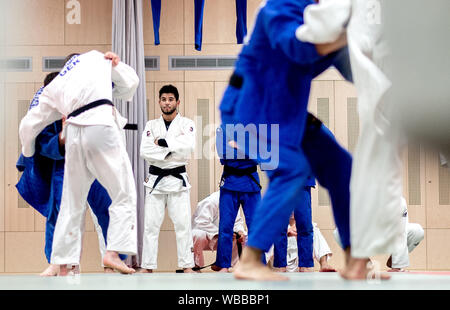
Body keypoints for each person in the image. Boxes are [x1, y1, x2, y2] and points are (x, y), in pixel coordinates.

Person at [218, 0, 352, 281]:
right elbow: (297, 48)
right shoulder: (278, 7)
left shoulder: (326, 18)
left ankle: (355, 258)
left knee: (340, 164)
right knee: (292, 168)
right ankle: (250, 259)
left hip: (285, 111)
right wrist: (349, 33)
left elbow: (353, 68)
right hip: (248, 106)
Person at [18, 50, 140, 275]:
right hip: (98, 129)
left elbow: (28, 126)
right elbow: (131, 82)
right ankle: (112, 253)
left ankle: (63, 262)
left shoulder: (57, 84)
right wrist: (117, 64)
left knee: (70, 205)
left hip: (74, 134)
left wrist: (27, 151)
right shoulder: (95, 59)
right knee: (124, 192)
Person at [139, 85, 196, 273]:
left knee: (183, 225)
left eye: (171, 99)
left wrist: (162, 143)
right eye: (163, 99)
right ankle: (147, 266)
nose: (167, 103)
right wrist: (172, 151)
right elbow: (145, 151)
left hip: (178, 181)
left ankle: (187, 264)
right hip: (155, 181)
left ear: (177, 102)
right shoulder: (151, 125)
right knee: (150, 226)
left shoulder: (187, 124)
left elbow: (188, 146)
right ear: (159, 102)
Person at [214, 125, 262, 273]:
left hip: (250, 183)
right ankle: (224, 264)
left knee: (255, 226)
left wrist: (235, 146)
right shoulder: (222, 129)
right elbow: (224, 153)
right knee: (226, 226)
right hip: (230, 182)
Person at [334, 197, 424, 272]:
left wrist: (396, 266)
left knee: (417, 231)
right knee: (338, 232)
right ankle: (364, 262)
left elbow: (400, 231)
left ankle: (393, 260)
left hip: (390, 234)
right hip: (366, 234)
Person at [191, 191, 246, 271]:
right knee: (197, 234)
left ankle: (223, 264)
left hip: (225, 239)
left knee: (245, 238)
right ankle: (196, 265)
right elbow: (201, 223)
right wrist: (223, 232)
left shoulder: (233, 201)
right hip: (207, 237)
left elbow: (237, 222)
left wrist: (240, 231)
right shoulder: (211, 201)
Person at [268, 215, 335, 272]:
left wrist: (303, 237)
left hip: (301, 265)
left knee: (312, 228)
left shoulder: (308, 225)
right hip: (279, 267)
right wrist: (285, 234)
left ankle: (324, 263)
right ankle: (280, 267)